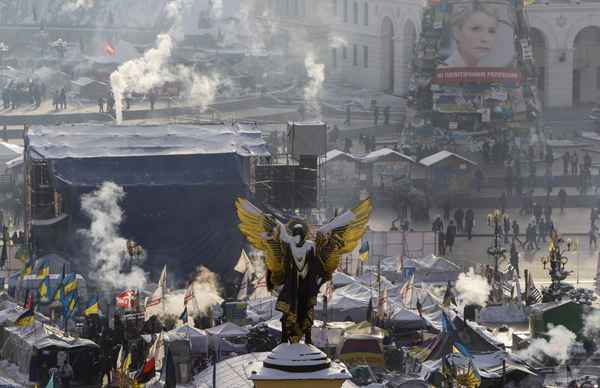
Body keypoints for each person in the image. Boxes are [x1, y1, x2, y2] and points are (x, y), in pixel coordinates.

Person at [439, 2, 508, 68]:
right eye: (476, 29)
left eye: (491, 31)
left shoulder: (488, 71)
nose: (485, 39)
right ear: (457, 32)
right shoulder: (444, 71)